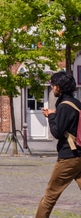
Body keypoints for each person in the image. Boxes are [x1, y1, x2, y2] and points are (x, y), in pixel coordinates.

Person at [37, 71, 81, 217]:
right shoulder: (76, 103)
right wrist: (55, 113)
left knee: (50, 195)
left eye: (53, 85)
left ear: (59, 87)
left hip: (69, 157)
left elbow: (56, 132)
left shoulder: (64, 106)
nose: (52, 88)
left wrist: (50, 116)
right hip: (79, 155)